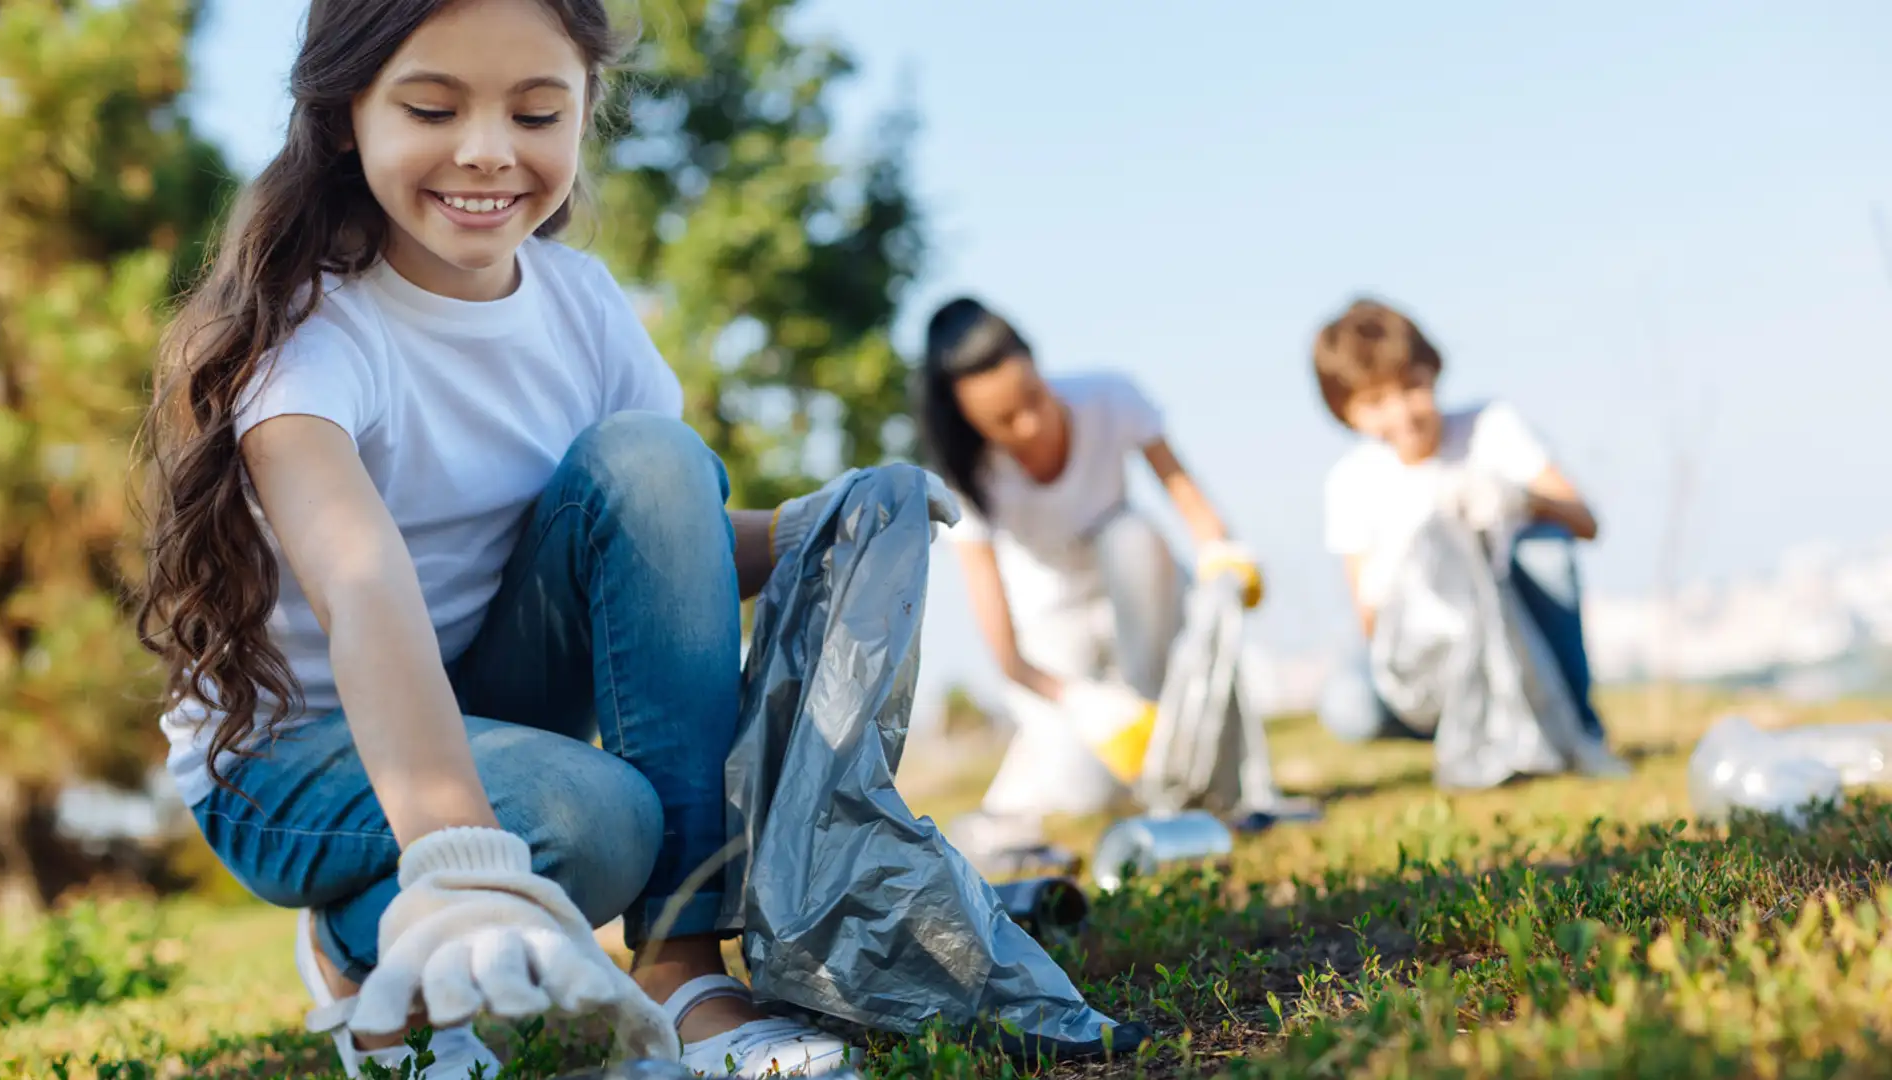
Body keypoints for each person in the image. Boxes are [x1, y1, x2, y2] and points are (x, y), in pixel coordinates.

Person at [136, 1, 937, 1075]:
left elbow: (667, 544)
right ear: (342, 117)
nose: (488, 151)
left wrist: (816, 528)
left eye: (536, 111)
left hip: (480, 698)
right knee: (600, 821)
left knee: (653, 458)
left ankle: (683, 971)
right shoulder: (310, 338)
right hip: (292, 758)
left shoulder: (582, 305)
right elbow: (362, 583)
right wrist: (465, 861)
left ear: (584, 113)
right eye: (431, 106)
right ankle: (359, 933)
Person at [918, 297, 1263, 870]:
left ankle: (1191, 777)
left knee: (1128, 535)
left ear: (1036, 363)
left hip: (1140, 600)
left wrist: (1224, 555)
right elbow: (1008, 656)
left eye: (1032, 400)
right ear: (969, 420)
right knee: (1084, 790)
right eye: (1002, 421)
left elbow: (1192, 505)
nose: (1027, 425)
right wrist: (1086, 705)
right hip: (1055, 647)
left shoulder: (1109, 397)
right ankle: (1021, 807)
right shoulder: (966, 477)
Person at [1309, 297, 1611, 747]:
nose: (1401, 414)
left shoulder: (1491, 427)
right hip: (1430, 647)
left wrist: (1520, 499)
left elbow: (1586, 522)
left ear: (1432, 373)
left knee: (1544, 548)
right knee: (1348, 706)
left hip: (1516, 629)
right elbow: (1369, 621)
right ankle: (1453, 727)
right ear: (1346, 412)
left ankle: (1575, 718)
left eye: (1411, 387)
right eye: (1375, 401)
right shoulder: (1350, 483)